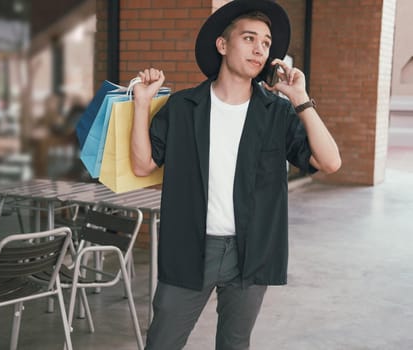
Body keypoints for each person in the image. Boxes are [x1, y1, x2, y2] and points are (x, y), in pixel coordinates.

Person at [130, 1, 341, 349]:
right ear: (223, 45)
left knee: (234, 344)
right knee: (162, 342)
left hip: (252, 250)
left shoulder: (277, 112)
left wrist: (301, 99)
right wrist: (141, 104)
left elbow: (330, 162)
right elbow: (142, 165)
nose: (260, 49)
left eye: (266, 42)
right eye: (249, 38)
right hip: (190, 247)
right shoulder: (183, 108)